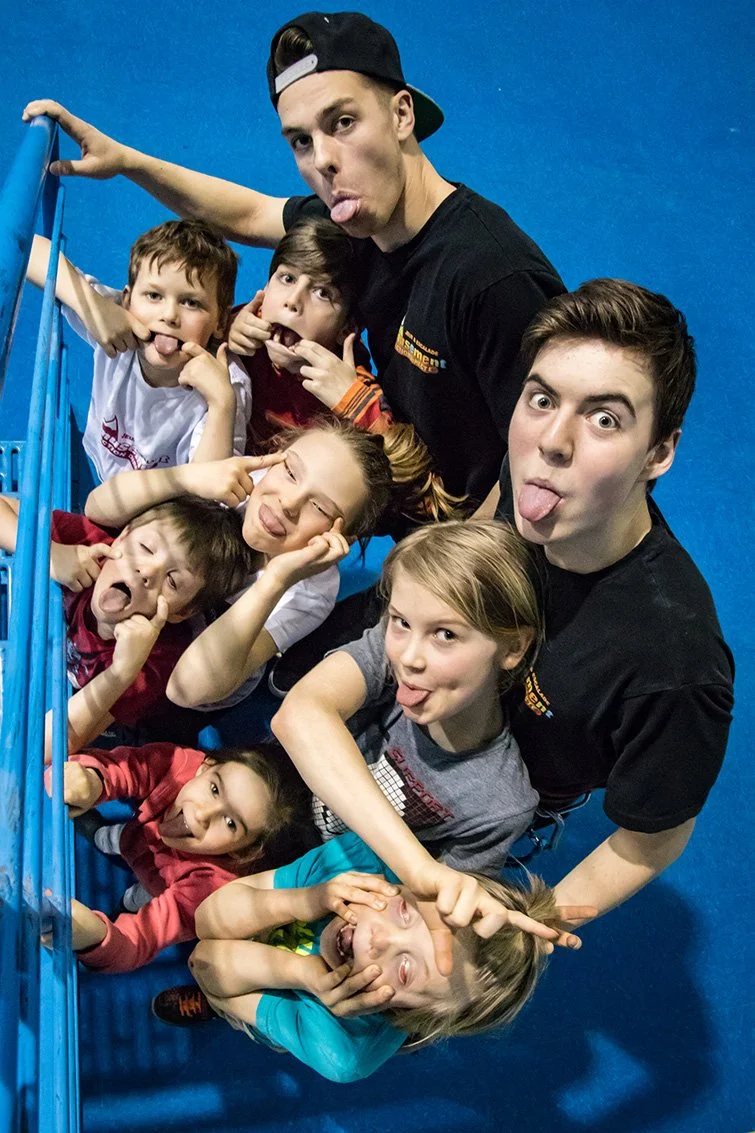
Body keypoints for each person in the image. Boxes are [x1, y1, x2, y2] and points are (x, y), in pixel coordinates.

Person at [24, 9, 564, 508]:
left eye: (343, 123)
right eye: (301, 141)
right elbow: (249, 212)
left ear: (402, 114)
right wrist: (126, 161)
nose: (323, 160)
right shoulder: (357, 224)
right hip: (415, 515)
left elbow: (547, 464)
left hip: (489, 558)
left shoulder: (491, 276)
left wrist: (443, 577)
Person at [487, 277, 734, 923]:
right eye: (541, 399)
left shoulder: (673, 663)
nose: (552, 441)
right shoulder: (532, 478)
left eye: (604, 418)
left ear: (659, 452)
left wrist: (530, 928)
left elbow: (654, 836)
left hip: (500, 793)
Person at [84, 421, 455, 714]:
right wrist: (187, 477)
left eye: (321, 508)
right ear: (276, 455)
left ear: (340, 537)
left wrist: (277, 578)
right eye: (291, 472)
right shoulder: (247, 485)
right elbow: (97, 509)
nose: (288, 503)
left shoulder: (310, 590)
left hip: (202, 666)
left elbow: (186, 689)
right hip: (153, 608)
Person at [153, 831, 562, 1082]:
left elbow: (202, 960)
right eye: (406, 912)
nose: (379, 940)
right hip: (254, 922)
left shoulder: (343, 1050)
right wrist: (305, 900)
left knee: (219, 992)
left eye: (405, 970)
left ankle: (220, 1010)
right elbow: (207, 920)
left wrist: (302, 973)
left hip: (270, 995)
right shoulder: (358, 865)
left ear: (406, 1016)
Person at [297, 519, 541, 876]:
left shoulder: (499, 805)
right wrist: (415, 865)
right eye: (401, 621)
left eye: (445, 634)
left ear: (514, 647)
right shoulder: (389, 647)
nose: (409, 657)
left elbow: (433, 911)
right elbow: (299, 712)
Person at [0, 492, 254, 743]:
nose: (148, 571)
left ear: (180, 612)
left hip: (179, 705)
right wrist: (49, 553)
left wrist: (122, 671)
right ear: (121, 538)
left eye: (173, 581)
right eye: (146, 548)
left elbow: (54, 743)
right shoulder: (91, 546)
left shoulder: (152, 661)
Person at [50, 737, 309, 973]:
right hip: (138, 834)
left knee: (143, 897)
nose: (202, 814)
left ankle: (127, 901)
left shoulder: (208, 888)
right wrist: (94, 780)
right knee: (121, 838)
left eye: (231, 823)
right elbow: (125, 768)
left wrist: (97, 938)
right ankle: (104, 838)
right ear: (205, 766)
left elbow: (142, 937)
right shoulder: (178, 765)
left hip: (161, 885)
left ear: (246, 850)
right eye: (215, 789)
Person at [26, 219, 251, 481]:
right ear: (127, 299)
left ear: (221, 322)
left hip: (165, 515)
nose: (169, 315)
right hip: (103, 472)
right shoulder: (116, 319)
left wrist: (221, 404)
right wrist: (90, 304)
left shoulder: (226, 384)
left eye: (190, 303)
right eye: (154, 296)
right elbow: (29, 249)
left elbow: (210, 497)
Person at [230, 215, 394, 451]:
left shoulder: (352, 387)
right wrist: (221, 332)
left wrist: (351, 403)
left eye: (323, 293)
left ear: (347, 328)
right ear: (265, 288)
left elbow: (401, 463)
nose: (293, 301)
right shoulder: (244, 333)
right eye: (287, 278)